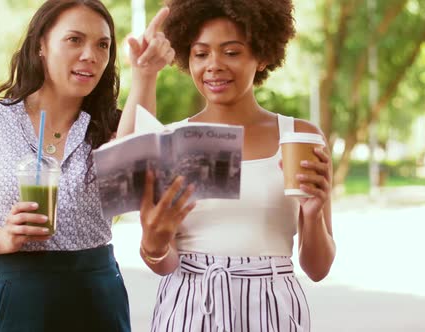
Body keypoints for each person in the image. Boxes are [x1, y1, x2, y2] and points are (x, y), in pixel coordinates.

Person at [0, 1, 193, 331]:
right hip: (20, 303)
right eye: (74, 39)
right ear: (41, 46)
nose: (90, 54)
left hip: (100, 302)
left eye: (102, 45)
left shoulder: (111, 127)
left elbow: (132, 167)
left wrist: (145, 74)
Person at [137, 1, 336, 331]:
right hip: (190, 306)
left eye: (231, 52)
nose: (213, 66)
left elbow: (318, 268)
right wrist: (153, 245)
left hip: (272, 308)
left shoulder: (299, 137)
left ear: (263, 55)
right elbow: (164, 262)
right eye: (201, 54)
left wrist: (313, 215)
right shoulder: (170, 141)